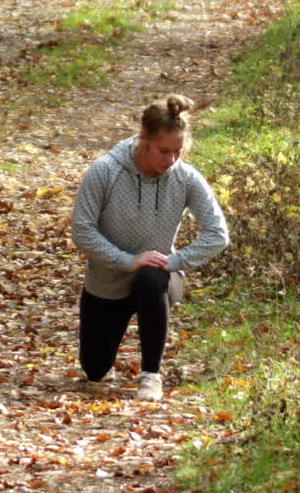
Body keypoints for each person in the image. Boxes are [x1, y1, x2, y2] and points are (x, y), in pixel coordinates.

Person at [70, 94, 229, 401]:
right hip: (108, 280)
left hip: (158, 276)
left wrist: (175, 261)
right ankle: (103, 361)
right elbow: (82, 230)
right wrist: (127, 260)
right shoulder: (105, 171)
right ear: (144, 138)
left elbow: (217, 234)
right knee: (94, 369)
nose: (171, 160)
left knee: (152, 275)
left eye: (177, 152)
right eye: (164, 151)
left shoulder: (185, 177)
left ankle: (151, 375)